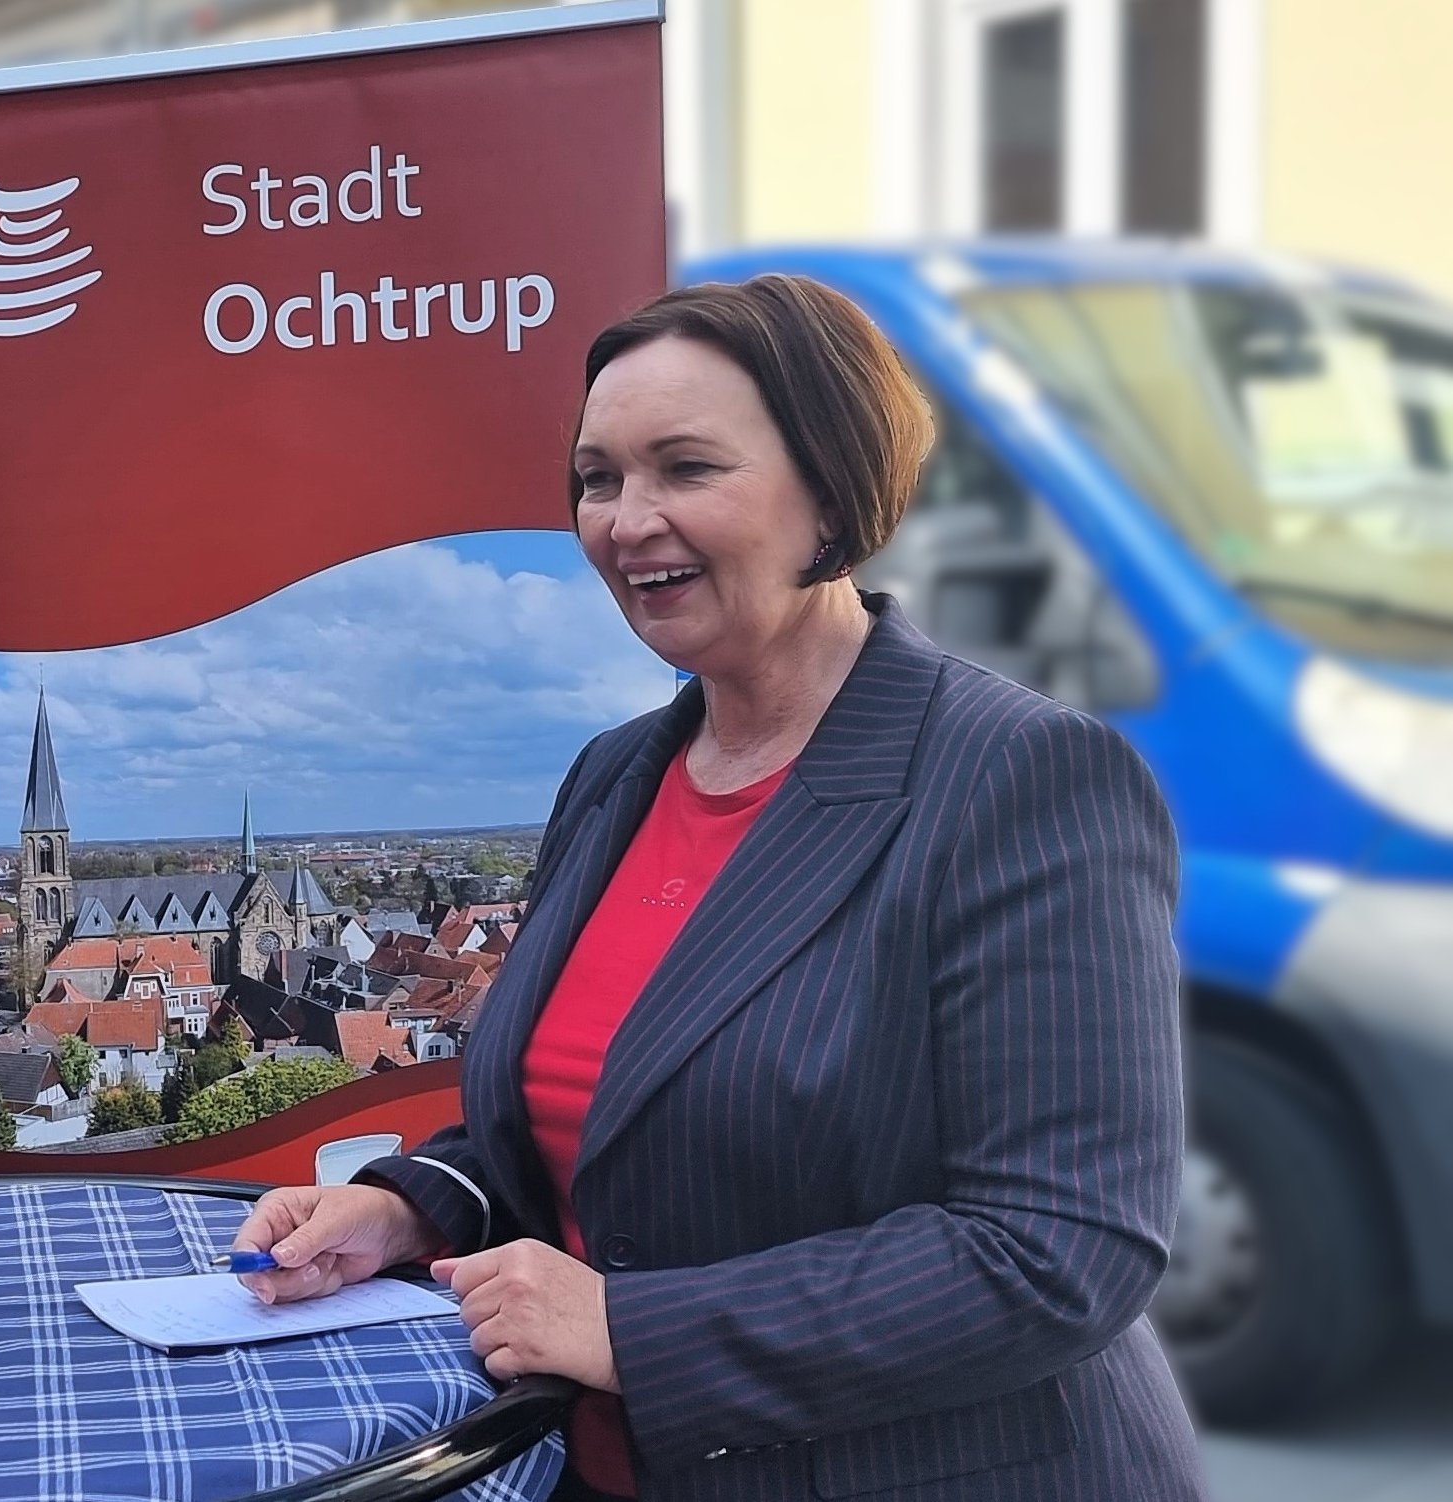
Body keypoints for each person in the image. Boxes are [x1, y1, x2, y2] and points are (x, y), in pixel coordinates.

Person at [233, 276, 1204, 1500]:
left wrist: (631, 1327)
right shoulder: (613, 775)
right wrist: (413, 1206)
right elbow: (582, 1125)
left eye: (686, 467)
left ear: (831, 493)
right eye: (596, 478)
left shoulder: (1019, 775)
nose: (626, 520)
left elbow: (1059, 1246)